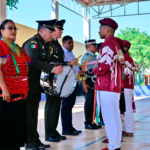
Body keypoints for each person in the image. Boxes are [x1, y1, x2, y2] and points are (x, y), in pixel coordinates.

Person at [23, 20, 63, 150]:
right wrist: (52, 69)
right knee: (29, 114)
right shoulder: (33, 43)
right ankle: (29, 143)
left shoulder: (45, 44)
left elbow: (45, 61)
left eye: (53, 31)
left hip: (36, 84)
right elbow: (33, 61)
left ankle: (35, 140)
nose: (52, 33)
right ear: (41, 31)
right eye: (50, 31)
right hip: (28, 84)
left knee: (34, 114)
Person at [0, 19, 31, 150]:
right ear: (2, 31)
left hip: (19, 90)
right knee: (6, 123)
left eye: (15, 28)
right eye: (10, 28)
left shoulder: (17, 47)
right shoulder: (1, 46)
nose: (13, 31)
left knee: (17, 122)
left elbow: (26, 66)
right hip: (7, 90)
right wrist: (4, 89)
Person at [93, 18, 123, 150]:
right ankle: (115, 144)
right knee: (115, 116)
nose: (99, 31)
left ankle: (113, 145)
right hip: (115, 86)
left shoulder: (107, 44)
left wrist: (92, 70)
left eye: (100, 28)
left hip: (106, 84)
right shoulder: (116, 44)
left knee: (109, 117)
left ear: (107, 30)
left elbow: (105, 65)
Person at [45, 20, 67, 142]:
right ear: (53, 31)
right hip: (51, 78)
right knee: (51, 105)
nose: (61, 31)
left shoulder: (56, 43)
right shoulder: (49, 43)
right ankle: (49, 133)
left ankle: (53, 130)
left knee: (56, 105)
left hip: (58, 78)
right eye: (59, 29)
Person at [61, 35, 82, 135]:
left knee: (70, 105)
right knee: (66, 106)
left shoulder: (71, 53)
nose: (71, 44)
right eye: (69, 43)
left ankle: (70, 126)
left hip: (74, 82)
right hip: (67, 83)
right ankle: (65, 128)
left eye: (72, 42)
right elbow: (62, 66)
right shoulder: (63, 53)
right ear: (63, 44)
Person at [81, 39, 102, 130]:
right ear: (88, 47)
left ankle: (92, 122)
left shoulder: (95, 56)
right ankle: (88, 123)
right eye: (94, 45)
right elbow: (82, 71)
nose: (96, 46)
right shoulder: (86, 57)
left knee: (94, 103)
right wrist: (84, 83)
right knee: (89, 103)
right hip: (89, 81)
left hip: (95, 81)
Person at [122, 40, 135, 137]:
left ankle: (129, 129)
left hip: (126, 85)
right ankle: (128, 128)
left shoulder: (126, 58)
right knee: (127, 108)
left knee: (128, 108)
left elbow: (126, 74)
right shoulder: (127, 58)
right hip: (127, 86)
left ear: (125, 48)